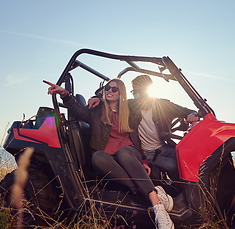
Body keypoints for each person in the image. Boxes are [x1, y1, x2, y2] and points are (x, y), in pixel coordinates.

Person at [44, 79, 175, 229]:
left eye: (114, 89)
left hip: (129, 154)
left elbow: (138, 131)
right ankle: (153, 191)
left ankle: (157, 206)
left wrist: (144, 161)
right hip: (109, 159)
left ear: (121, 94)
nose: (110, 91)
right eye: (107, 88)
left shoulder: (129, 112)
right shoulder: (96, 112)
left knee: (124, 152)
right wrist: (64, 93)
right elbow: (77, 109)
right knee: (98, 156)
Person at [89, 75, 199, 187]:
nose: (138, 96)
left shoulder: (162, 105)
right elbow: (111, 98)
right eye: (134, 92)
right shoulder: (130, 106)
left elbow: (186, 111)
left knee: (186, 158)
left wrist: (192, 114)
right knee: (172, 165)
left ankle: (194, 190)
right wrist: (98, 98)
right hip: (146, 153)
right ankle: (178, 193)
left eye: (140, 92)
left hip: (163, 147)